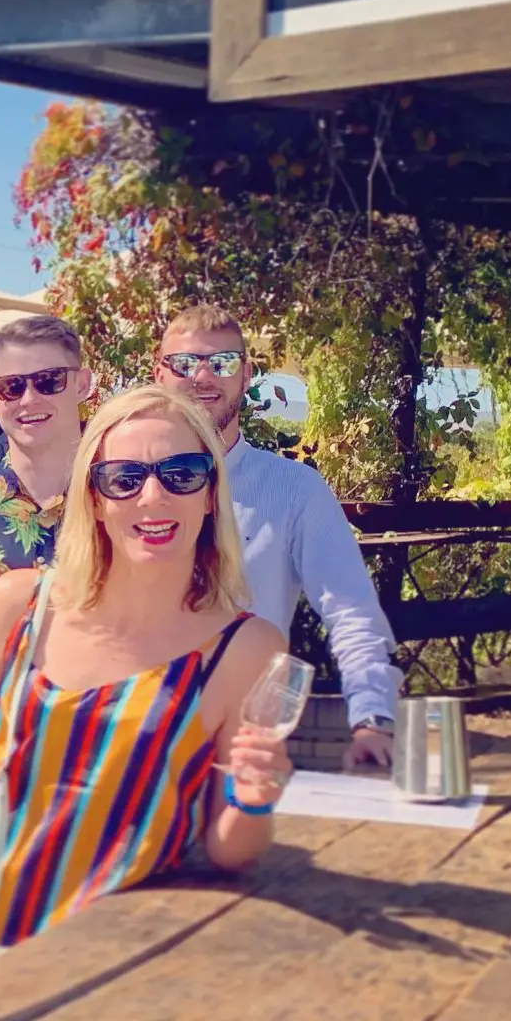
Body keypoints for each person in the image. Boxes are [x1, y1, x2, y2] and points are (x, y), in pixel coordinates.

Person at [0, 383, 296, 1021]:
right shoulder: (21, 602)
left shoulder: (246, 649)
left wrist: (256, 796)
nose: (152, 498)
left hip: (100, 994)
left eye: (181, 474)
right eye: (124, 478)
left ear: (209, 492)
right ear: (95, 497)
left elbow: (229, 848)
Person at [152, 304, 399, 769]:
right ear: (159, 372)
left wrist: (371, 717)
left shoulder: (295, 489)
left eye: (222, 362)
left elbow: (350, 611)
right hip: (133, 735)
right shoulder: (123, 481)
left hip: (245, 749)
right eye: (184, 363)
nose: (202, 377)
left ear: (246, 373)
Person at [0, 314, 96, 582]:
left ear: (82, 385)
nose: (29, 399)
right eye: (11, 386)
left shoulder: (127, 497)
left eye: (49, 380)